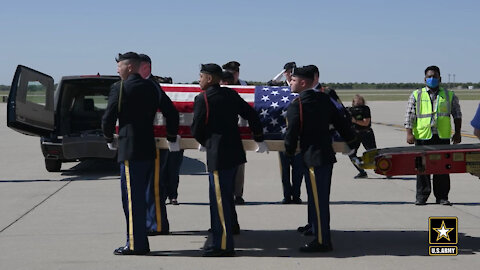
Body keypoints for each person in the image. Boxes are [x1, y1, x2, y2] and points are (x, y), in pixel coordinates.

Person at [102, 52, 177, 255]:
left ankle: (136, 244)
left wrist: (109, 138)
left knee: (132, 199)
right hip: (148, 148)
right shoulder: (153, 87)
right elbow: (171, 112)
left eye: (119, 66)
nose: (117, 70)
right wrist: (171, 136)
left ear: (129, 67)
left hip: (129, 150)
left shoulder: (119, 88)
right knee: (143, 196)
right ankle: (139, 239)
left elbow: (108, 117)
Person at [191, 63, 267, 257]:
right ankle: (230, 228)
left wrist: (207, 142)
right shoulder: (231, 94)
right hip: (235, 153)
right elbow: (251, 115)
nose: (199, 80)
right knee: (226, 198)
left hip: (218, 155)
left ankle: (223, 245)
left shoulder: (203, 99)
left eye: (200, 77)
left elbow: (196, 129)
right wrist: (258, 136)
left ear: (209, 78)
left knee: (219, 200)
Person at [285, 66, 356, 252]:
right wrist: (352, 141)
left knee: (318, 202)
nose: (290, 83)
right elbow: (342, 123)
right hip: (325, 157)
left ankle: (323, 241)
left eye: (293, 80)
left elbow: (291, 133)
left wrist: (290, 151)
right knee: (319, 199)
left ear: (302, 83)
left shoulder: (297, 104)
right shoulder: (325, 99)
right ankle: (318, 232)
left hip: (312, 159)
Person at [405, 65, 462, 206]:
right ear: (424, 79)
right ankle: (422, 196)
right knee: (421, 168)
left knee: (442, 168)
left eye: (434, 76)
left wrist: (458, 132)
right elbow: (409, 115)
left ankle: (442, 197)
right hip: (422, 136)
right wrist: (409, 133)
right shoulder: (416, 95)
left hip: (442, 136)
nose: (432, 79)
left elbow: (457, 115)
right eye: (429, 76)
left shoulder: (449, 95)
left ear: (440, 78)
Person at [138, 54, 180, 238]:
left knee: (153, 185)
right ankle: (153, 222)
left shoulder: (152, 86)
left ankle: (157, 224)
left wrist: (170, 136)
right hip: (144, 143)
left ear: (145, 67)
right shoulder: (146, 85)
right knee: (149, 185)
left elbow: (171, 111)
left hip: (154, 143)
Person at [220, 70, 246, 205]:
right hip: (236, 136)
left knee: (232, 168)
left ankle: (233, 194)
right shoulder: (236, 94)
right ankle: (237, 194)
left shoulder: (235, 93)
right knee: (238, 168)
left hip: (224, 138)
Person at [348, 94, 377, 178]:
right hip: (354, 134)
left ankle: (385, 170)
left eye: (359, 100)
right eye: (356, 100)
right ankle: (362, 172)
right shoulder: (350, 110)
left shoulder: (365, 109)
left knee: (373, 154)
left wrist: (354, 121)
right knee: (351, 153)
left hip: (366, 133)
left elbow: (366, 123)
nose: (357, 101)